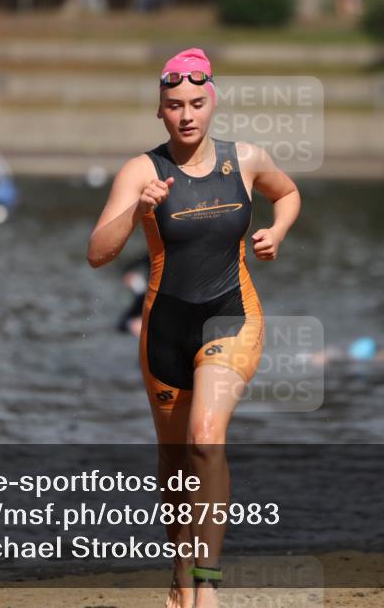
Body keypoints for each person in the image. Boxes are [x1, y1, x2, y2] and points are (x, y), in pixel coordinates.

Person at [87, 48, 301, 608]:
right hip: (164, 330)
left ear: (213, 103)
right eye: (175, 104)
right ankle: (181, 573)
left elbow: (289, 193)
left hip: (232, 314)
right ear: (160, 111)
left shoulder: (246, 160)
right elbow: (97, 254)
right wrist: (135, 211)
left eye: (197, 103)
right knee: (175, 461)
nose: (187, 114)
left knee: (207, 438)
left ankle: (206, 589)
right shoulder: (141, 171)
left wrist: (277, 231)